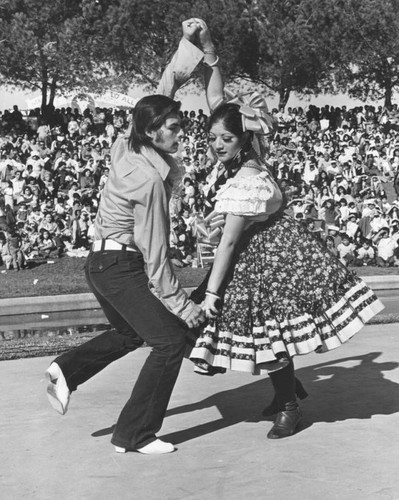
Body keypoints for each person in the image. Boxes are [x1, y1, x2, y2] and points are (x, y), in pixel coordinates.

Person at [187, 20, 384, 440]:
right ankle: (287, 393)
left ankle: (290, 406)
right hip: (271, 251)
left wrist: (212, 293)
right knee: (265, 335)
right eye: (212, 138)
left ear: (244, 140)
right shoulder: (247, 156)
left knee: (268, 333)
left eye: (225, 139)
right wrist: (209, 51)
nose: (216, 144)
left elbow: (226, 245)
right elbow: (218, 100)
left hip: (270, 259)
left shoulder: (247, 179)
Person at [44, 20, 207, 455]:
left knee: (131, 333)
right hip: (121, 267)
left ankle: (66, 370)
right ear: (154, 132)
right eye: (174, 127)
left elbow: (162, 93)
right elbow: (157, 255)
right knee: (170, 342)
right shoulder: (149, 181)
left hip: (100, 265)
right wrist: (182, 306)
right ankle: (134, 435)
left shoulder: (127, 143)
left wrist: (187, 47)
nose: (180, 131)